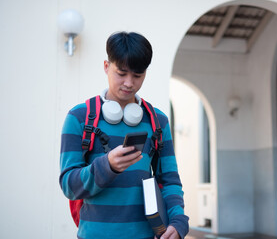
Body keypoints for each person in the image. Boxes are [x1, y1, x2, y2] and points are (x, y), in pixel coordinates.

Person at [59, 31, 189, 239]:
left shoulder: (158, 121)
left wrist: (178, 221)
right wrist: (106, 166)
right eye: (121, 73)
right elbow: (69, 185)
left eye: (137, 76)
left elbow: (170, 180)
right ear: (106, 66)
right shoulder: (78, 117)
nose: (129, 83)